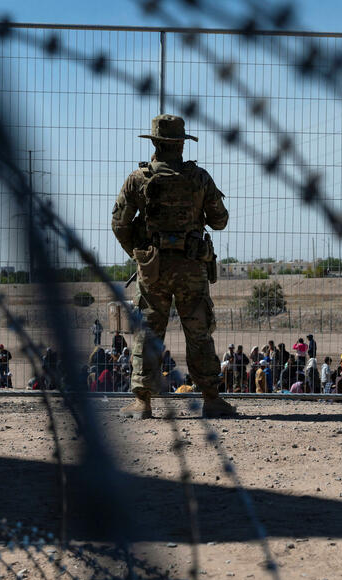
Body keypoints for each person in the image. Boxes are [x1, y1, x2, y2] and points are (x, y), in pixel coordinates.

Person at [112, 114, 234, 418]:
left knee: (149, 331)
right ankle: (211, 398)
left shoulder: (138, 179)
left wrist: (139, 254)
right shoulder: (199, 178)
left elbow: (118, 224)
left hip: (153, 268)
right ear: (181, 143)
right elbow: (220, 221)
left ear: (155, 142)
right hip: (192, 266)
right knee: (198, 331)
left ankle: (143, 401)